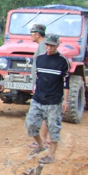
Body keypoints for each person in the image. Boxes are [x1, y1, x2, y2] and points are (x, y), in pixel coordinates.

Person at [25, 34, 70, 164]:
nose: (49, 48)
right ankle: (40, 144)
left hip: (54, 101)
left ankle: (51, 155)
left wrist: (66, 100)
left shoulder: (62, 61)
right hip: (38, 98)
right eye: (47, 45)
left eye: (52, 46)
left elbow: (66, 82)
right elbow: (38, 77)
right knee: (30, 124)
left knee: (54, 128)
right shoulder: (39, 59)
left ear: (57, 45)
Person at [29, 23, 51, 149]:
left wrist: (39, 84)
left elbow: (44, 67)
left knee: (43, 113)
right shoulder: (42, 45)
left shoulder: (43, 46)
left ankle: (42, 140)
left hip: (43, 85)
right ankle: (42, 140)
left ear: (37, 34)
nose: (30, 36)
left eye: (32, 33)